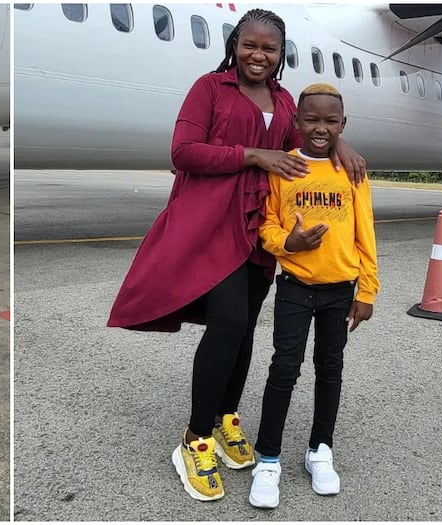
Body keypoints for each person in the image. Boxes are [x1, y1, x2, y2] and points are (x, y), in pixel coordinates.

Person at [106, 9, 367, 502]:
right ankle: (195, 437)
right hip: (213, 223)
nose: (258, 55)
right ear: (235, 43)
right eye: (250, 44)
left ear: (280, 54)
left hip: (260, 229)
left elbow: (310, 134)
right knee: (227, 323)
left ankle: (226, 416)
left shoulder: (286, 99)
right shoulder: (210, 88)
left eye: (269, 48)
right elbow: (183, 151)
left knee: (245, 326)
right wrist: (252, 154)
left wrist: (343, 141)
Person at [248, 83, 378, 509]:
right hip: (295, 289)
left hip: (340, 290)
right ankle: (268, 459)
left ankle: (320, 449)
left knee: (330, 369)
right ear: (296, 122)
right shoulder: (284, 169)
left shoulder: (353, 172)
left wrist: (368, 291)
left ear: (343, 125)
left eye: (330, 121)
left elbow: (365, 233)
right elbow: (266, 225)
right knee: (283, 369)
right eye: (312, 120)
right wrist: (290, 242)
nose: (320, 128)